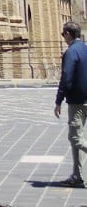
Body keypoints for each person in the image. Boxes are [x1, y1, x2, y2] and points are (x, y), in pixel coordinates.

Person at [55, 21, 87, 187]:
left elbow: (66, 78)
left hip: (77, 101)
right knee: (78, 137)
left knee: (74, 137)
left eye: (63, 34)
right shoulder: (85, 48)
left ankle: (78, 175)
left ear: (68, 34)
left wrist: (59, 100)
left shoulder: (71, 52)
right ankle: (77, 175)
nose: (63, 37)